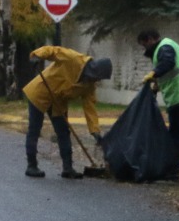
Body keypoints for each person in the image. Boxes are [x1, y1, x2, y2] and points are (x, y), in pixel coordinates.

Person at [21, 45, 112, 179]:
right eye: (97, 78)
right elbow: (53, 50)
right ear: (94, 71)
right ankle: (32, 166)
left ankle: (68, 168)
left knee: (63, 132)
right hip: (40, 92)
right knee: (34, 129)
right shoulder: (73, 59)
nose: (97, 81)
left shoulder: (89, 85)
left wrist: (95, 131)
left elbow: (90, 108)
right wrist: (37, 56)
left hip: (58, 102)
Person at [137, 28, 179, 182]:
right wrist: (158, 84)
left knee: (177, 134)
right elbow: (170, 69)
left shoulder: (164, 47)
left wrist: (154, 73)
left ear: (151, 39)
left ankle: (173, 174)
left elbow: (168, 63)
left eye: (144, 44)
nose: (145, 48)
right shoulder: (167, 45)